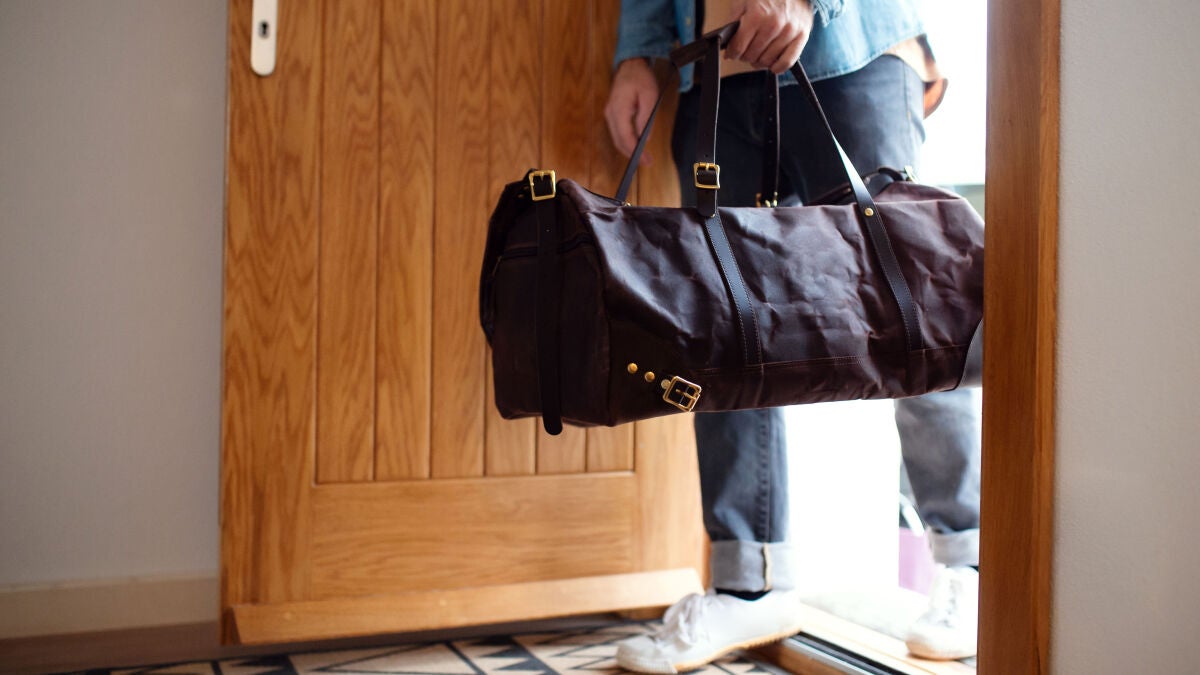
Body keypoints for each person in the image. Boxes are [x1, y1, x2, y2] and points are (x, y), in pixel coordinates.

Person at [603, 1, 981, 671]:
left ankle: (971, 564)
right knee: (722, 327)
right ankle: (748, 583)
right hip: (715, 68)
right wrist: (638, 52)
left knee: (918, 312)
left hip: (852, 52)